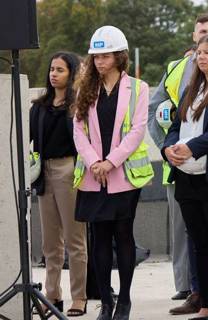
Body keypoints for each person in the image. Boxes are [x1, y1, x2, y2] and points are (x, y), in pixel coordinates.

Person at [147, 13, 208, 315]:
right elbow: (174, 124)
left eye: (207, 52)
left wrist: (191, 148)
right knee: (200, 243)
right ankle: (205, 305)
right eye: (198, 52)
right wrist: (168, 150)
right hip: (187, 178)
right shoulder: (190, 87)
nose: (200, 57)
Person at [73, 26, 153, 320]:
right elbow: (78, 132)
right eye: (95, 57)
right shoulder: (86, 89)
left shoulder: (138, 88)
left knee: (123, 235)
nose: (99, 62)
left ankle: (125, 301)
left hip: (122, 176)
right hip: (94, 177)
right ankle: (106, 302)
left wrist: (111, 161)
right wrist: (95, 161)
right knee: (100, 238)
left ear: (119, 56)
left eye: (104, 56)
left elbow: (137, 130)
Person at [29, 51, 88, 317]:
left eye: (60, 70)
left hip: (69, 169)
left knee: (75, 240)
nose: (54, 74)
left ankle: (80, 297)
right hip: (44, 171)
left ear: (71, 73)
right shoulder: (39, 106)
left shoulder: (79, 106)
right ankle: (52, 296)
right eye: (52, 69)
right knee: (50, 244)